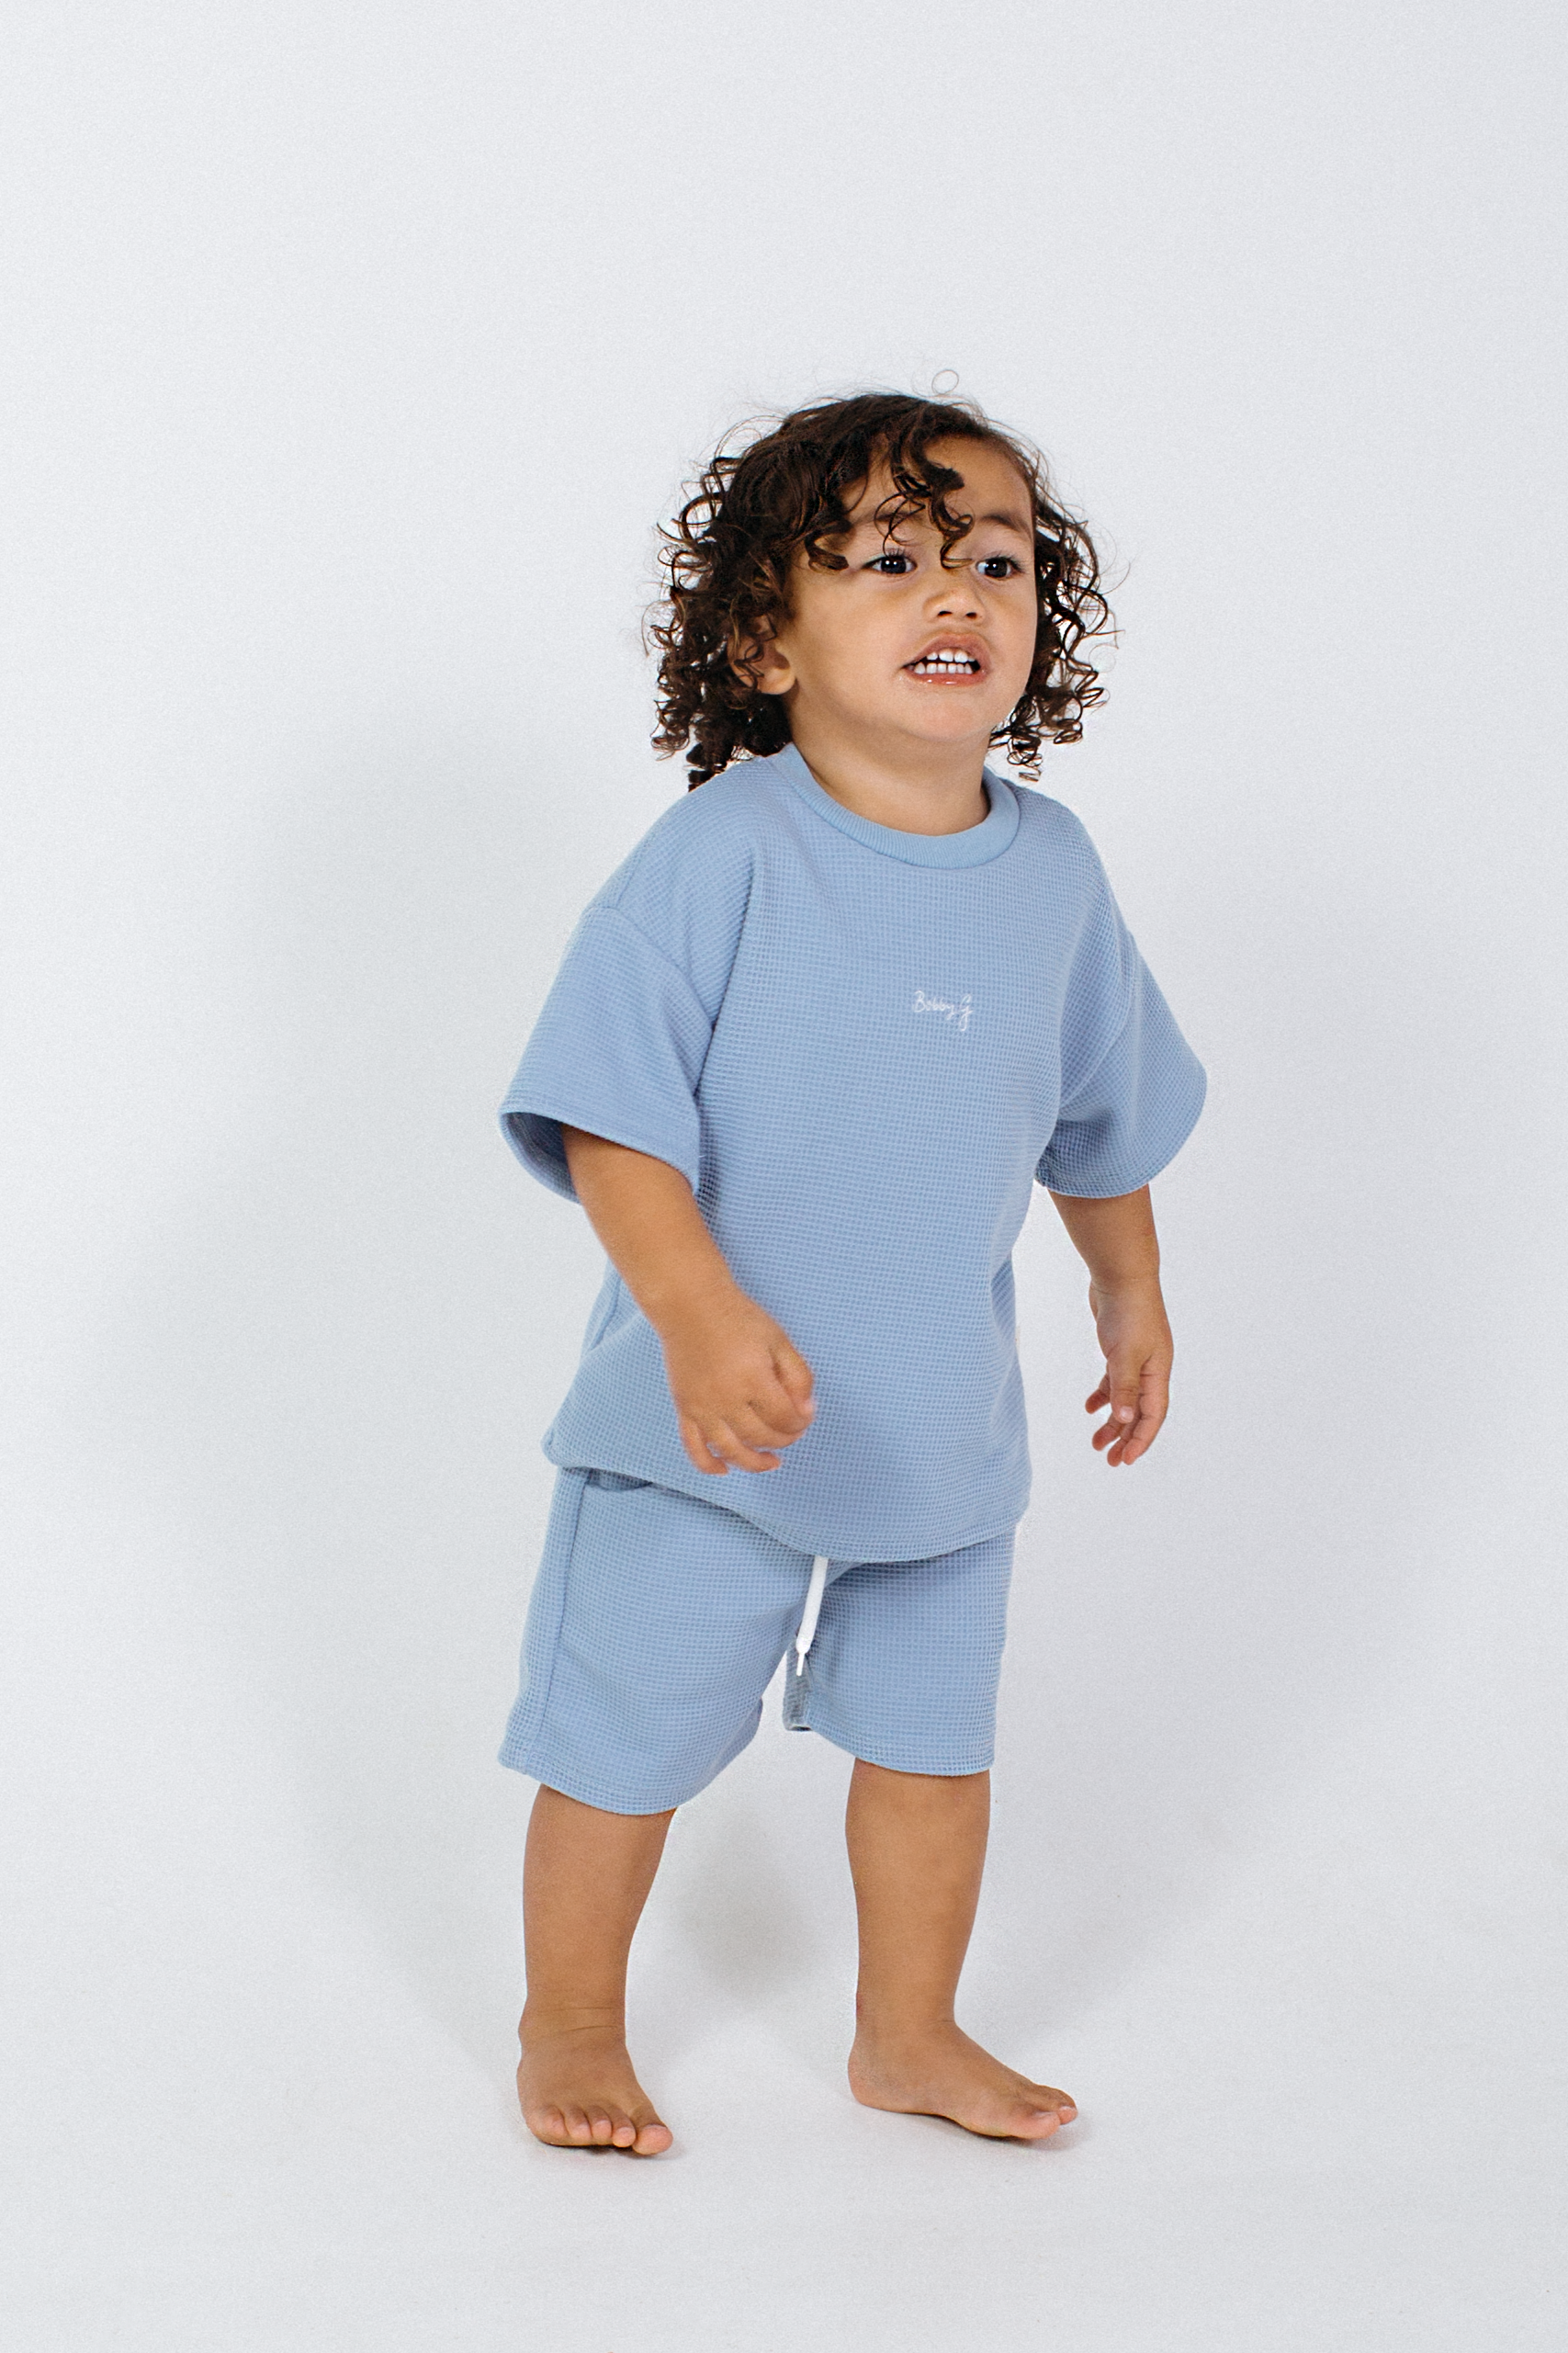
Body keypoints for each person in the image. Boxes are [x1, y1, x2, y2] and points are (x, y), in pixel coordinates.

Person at [496, 391, 1205, 2156]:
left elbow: (1097, 1114)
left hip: (934, 1440)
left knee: (932, 1754)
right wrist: (695, 1314)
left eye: (992, 560)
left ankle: (908, 2033)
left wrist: (1130, 1292)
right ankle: (568, 2022)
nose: (952, 594)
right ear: (764, 635)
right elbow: (611, 1120)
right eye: (888, 560)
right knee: (624, 1740)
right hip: (702, 1432)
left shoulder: (1050, 875)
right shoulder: (723, 855)